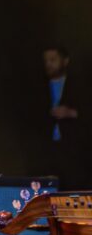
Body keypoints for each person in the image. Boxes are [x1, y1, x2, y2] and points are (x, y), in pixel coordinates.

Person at [41, 46, 90, 188]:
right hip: (47, 151)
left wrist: (71, 113)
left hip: (75, 151)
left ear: (65, 61)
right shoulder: (39, 87)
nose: (48, 64)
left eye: (53, 60)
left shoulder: (81, 85)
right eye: (46, 61)